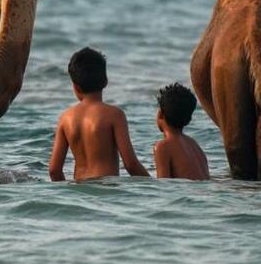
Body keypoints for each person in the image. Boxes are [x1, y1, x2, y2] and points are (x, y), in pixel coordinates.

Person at [48, 47, 150, 181]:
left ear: (76, 86)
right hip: (106, 188)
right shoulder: (115, 115)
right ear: (106, 81)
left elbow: (54, 170)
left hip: (78, 190)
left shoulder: (65, 118)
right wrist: (154, 185)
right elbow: (131, 165)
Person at [151, 83, 210, 180]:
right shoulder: (194, 144)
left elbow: (163, 185)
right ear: (189, 119)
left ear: (160, 114)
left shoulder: (162, 147)